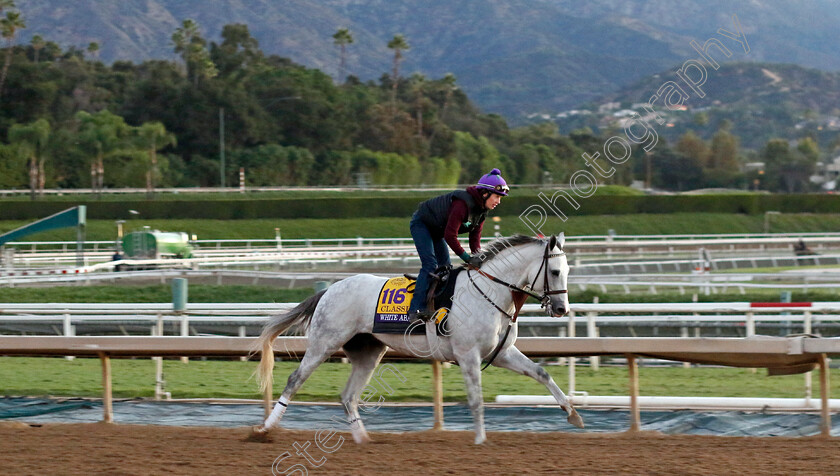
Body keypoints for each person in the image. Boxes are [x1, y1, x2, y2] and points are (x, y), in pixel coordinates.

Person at [407, 168, 509, 320]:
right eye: (497, 196)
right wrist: (467, 259)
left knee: (445, 269)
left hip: (437, 230)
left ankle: (437, 307)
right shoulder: (462, 205)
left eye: (500, 198)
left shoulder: (481, 211)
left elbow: (475, 239)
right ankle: (415, 309)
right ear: (485, 193)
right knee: (430, 265)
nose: (498, 202)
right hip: (422, 224)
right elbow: (450, 235)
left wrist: (479, 259)